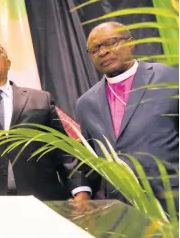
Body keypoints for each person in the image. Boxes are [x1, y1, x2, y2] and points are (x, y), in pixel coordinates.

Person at [0, 38, 90, 200]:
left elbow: (62, 150)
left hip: (40, 198)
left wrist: (80, 189)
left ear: (8, 63)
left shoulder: (40, 99)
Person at [76, 21, 179, 205]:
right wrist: (82, 193)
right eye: (95, 49)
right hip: (122, 208)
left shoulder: (169, 78)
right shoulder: (86, 104)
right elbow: (88, 161)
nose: (103, 52)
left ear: (131, 43)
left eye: (111, 43)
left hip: (173, 200)